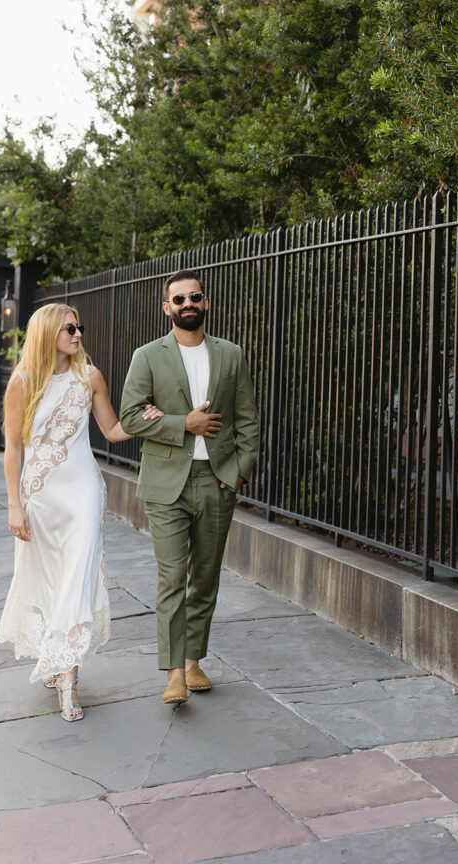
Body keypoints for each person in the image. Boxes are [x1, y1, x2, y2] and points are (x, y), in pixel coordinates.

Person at [0, 302, 161, 722]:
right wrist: (15, 504)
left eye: (79, 327)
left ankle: (68, 679)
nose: (78, 335)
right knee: (48, 578)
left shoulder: (89, 377)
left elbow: (111, 430)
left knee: (78, 576)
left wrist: (145, 420)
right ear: (48, 332)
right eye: (69, 328)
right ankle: (55, 658)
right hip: (40, 496)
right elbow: (13, 447)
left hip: (84, 492)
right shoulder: (22, 382)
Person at [119, 269, 259, 705]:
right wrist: (185, 424)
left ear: (206, 302)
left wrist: (236, 474)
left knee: (205, 578)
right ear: (167, 308)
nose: (187, 305)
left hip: (216, 482)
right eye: (178, 300)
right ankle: (174, 673)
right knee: (171, 578)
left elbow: (248, 422)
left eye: (194, 297)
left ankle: (195, 661)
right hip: (166, 484)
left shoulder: (231, 355)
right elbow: (129, 417)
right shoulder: (148, 356)